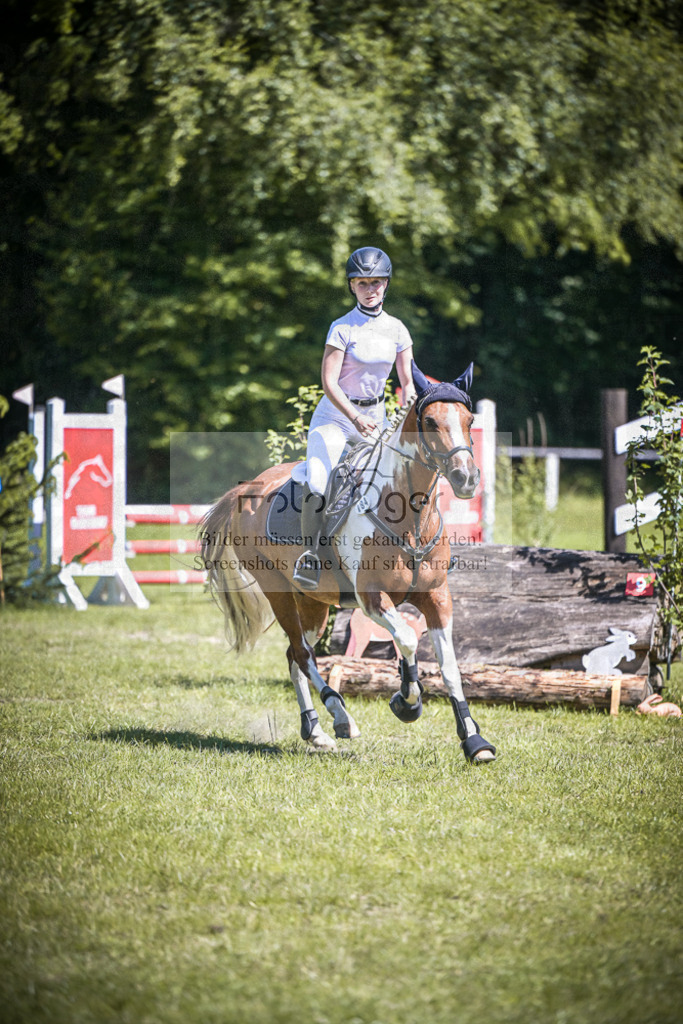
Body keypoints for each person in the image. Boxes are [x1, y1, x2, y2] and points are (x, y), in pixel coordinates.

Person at [293, 246, 417, 590]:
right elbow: (329, 382)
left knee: (392, 482)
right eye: (362, 283)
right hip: (336, 417)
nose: (370, 288)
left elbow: (407, 383)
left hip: (377, 417)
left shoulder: (398, 330)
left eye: (376, 282)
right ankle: (312, 556)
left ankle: (396, 556)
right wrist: (354, 416)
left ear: (386, 284)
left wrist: (403, 410)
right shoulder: (341, 327)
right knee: (319, 482)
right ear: (352, 286)